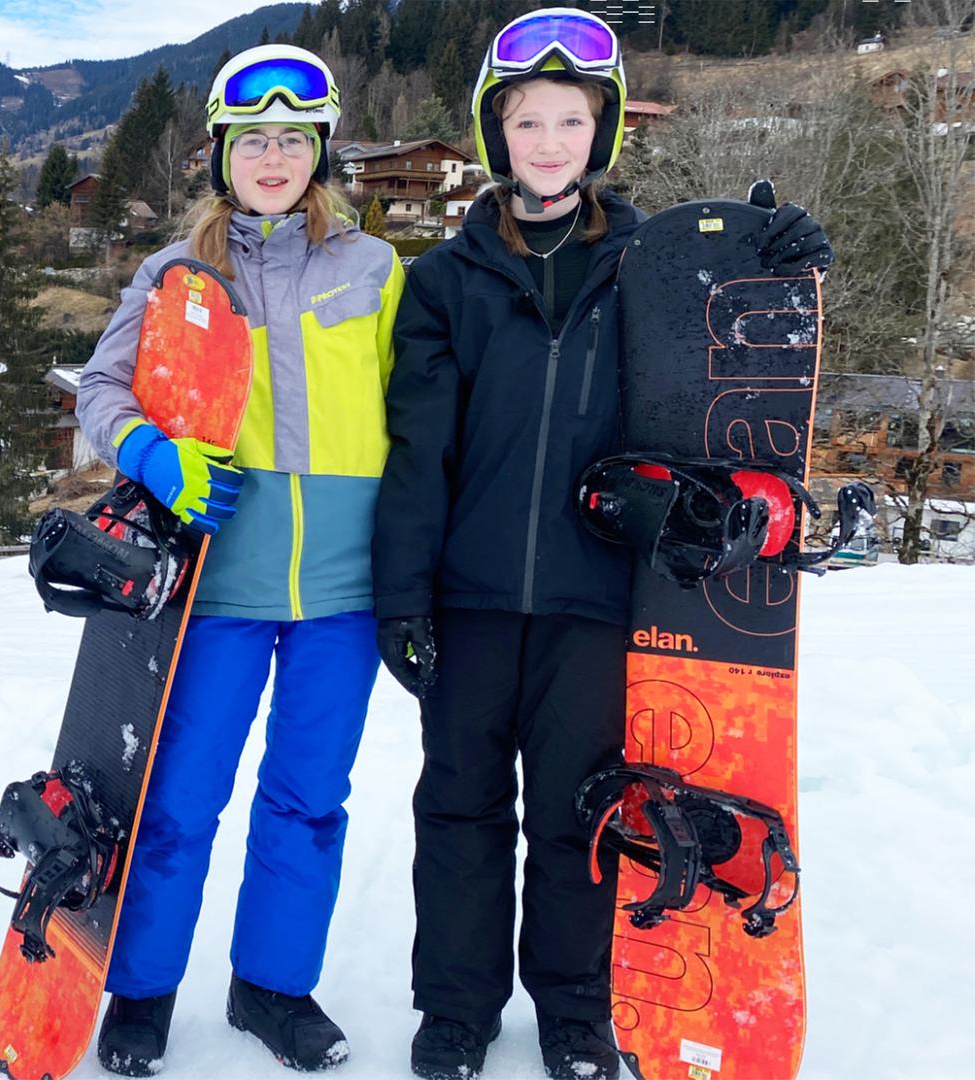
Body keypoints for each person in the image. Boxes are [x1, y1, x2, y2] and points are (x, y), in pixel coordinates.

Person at [372, 10, 833, 1080]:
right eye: (526, 121)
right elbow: (415, 458)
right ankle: (455, 1010)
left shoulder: (649, 273)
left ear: (600, 134)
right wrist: (405, 600)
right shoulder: (445, 285)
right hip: (471, 598)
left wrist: (783, 253)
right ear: (498, 139)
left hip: (596, 597)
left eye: (568, 121)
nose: (546, 142)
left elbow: (728, 345)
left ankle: (577, 1011)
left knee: (583, 817)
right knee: (459, 807)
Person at [73, 43, 403, 1076]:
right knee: (179, 800)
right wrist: (153, 456)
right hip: (215, 587)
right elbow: (98, 392)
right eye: (253, 139)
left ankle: (271, 987)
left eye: (293, 140)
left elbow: (430, 412)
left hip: (343, 592)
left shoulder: (374, 270)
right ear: (223, 155)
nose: (272, 156)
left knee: (309, 798)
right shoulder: (176, 276)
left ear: (321, 153)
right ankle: (142, 990)